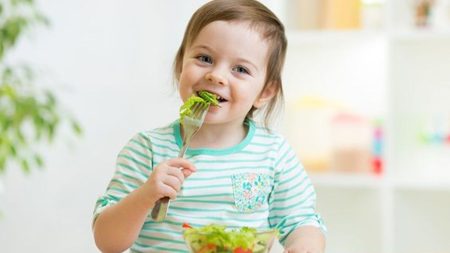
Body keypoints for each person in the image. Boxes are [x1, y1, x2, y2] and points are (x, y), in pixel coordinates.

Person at [92, 0, 326, 252]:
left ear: (265, 91)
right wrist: (145, 196)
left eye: (240, 69)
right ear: (181, 65)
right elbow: (108, 242)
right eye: (205, 58)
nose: (216, 75)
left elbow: (301, 222)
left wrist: (304, 246)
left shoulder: (274, 153)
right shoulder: (147, 149)